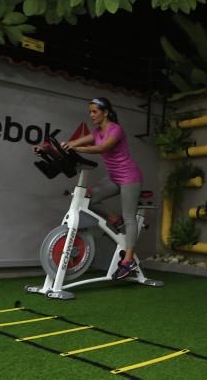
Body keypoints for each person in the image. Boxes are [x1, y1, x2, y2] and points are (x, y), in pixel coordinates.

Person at [61, 97, 144, 280]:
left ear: (105, 112)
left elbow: (102, 148)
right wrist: (63, 146)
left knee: (129, 217)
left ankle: (128, 260)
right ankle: (114, 218)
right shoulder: (96, 132)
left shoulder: (116, 129)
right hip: (114, 177)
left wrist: (76, 148)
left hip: (129, 177)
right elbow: (74, 142)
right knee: (88, 199)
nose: (91, 115)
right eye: (89, 112)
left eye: (94, 111)